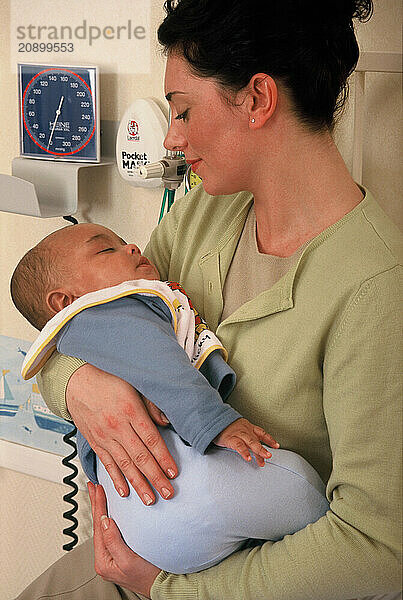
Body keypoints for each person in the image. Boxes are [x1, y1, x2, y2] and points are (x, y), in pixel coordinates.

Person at [15, 0, 402, 599]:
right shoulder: (205, 212)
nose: (172, 137)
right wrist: (78, 385)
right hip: (133, 548)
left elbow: (377, 550)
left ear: (257, 99)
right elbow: (78, 312)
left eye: (185, 111)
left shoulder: (375, 288)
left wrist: (169, 591)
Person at [11, 222, 329, 574]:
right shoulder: (114, 310)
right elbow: (162, 366)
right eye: (106, 250)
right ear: (65, 301)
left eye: (122, 241)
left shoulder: (88, 327)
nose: (132, 246)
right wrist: (216, 423)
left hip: (137, 523)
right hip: (179, 491)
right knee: (298, 485)